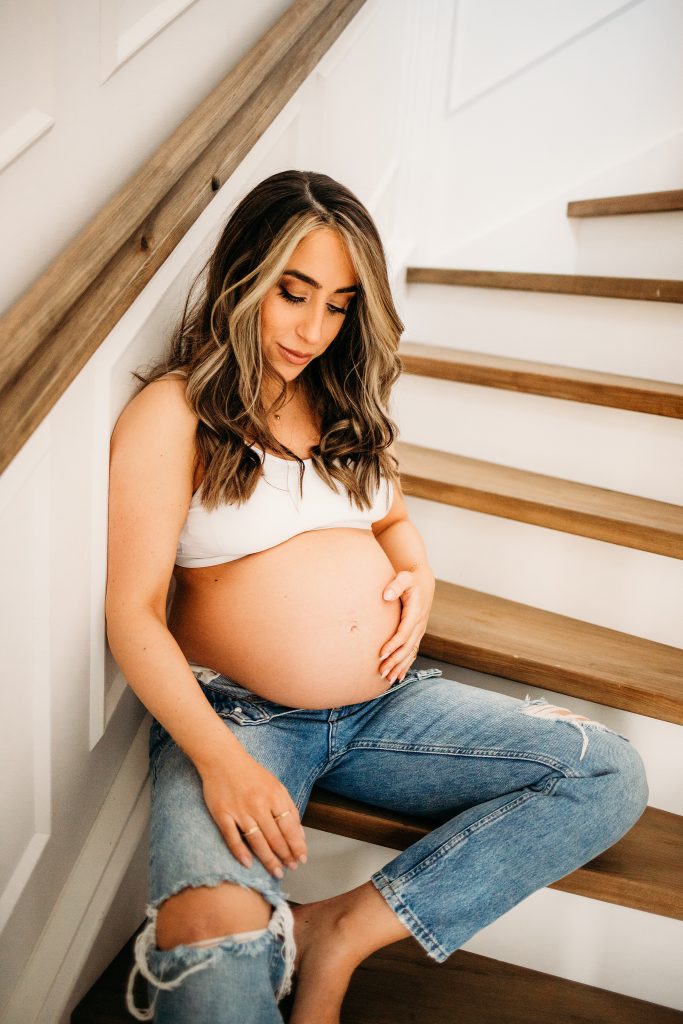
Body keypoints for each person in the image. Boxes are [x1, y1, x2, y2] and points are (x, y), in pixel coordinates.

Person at [105, 169, 649, 1024]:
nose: (313, 328)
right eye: (293, 294)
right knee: (208, 952)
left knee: (605, 773)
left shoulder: (341, 403)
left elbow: (390, 518)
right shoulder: (175, 412)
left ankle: (339, 934)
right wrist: (219, 762)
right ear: (244, 274)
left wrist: (418, 575)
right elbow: (131, 615)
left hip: (384, 710)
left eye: (338, 304)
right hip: (239, 720)